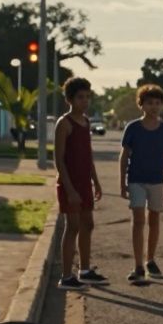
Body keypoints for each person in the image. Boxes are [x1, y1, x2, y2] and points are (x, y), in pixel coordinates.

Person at [118, 84, 163, 283]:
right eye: (149, 103)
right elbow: (124, 156)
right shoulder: (133, 128)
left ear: (162, 105)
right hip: (136, 180)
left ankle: (150, 259)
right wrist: (122, 182)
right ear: (141, 105)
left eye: (157, 103)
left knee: (154, 220)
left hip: (157, 181)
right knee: (138, 221)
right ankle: (138, 265)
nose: (154, 107)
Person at [54, 77, 105, 290]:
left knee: (88, 224)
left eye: (87, 97)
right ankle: (66, 276)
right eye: (80, 97)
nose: (85, 101)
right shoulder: (64, 123)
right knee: (73, 226)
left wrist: (96, 181)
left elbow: (88, 155)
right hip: (70, 184)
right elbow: (59, 159)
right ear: (70, 99)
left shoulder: (85, 122)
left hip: (84, 182)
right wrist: (70, 189)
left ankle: (84, 270)